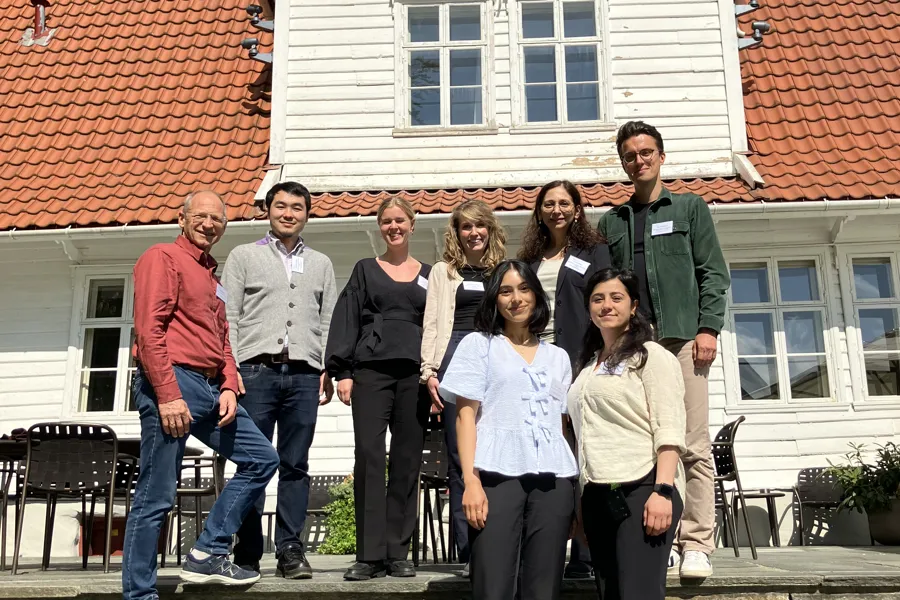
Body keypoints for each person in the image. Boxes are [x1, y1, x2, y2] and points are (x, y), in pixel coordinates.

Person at [122, 191, 279, 600]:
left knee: (262, 458)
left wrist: (228, 383)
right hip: (172, 380)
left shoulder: (212, 275)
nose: (209, 224)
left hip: (210, 387)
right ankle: (139, 594)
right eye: (201, 216)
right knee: (157, 494)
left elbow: (222, 338)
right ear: (182, 219)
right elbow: (149, 330)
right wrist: (167, 394)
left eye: (217, 219)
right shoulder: (163, 257)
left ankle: (207, 551)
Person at [597, 120, 730, 578]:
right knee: (644, 444)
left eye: (646, 152)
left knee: (691, 443)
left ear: (661, 156)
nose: (639, 161)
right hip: (636, 348)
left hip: (683, 341)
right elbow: (608, 287)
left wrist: (708, 328)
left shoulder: (690, 208)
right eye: (630, 155)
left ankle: (697, 542)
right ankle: (661, 540)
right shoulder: (612, 222)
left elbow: (713, 273)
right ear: (623, 163)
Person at [440, 259, 578, 600]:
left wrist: (575, 496)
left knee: (543, 587)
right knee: (493, 584)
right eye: (505, 291)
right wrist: (471, 481)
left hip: (554, 482)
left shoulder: (558, 357)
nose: (516, 298)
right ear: (494, 298)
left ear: (536, 295)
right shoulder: (479, 345)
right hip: (495, 477)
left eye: (524, 289)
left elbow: (560, 425)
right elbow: (465, 418)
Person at [224, 181, 337, 578]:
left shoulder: (321, 263)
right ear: (268, 211)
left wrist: (326, 367)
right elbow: (229, 317)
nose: (289, 213)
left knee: (295, 464)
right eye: (281, 206)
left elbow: (328, 319)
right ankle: (248, 550)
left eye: (297, 208)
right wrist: (231, 369)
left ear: (307, 215)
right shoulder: (243, 256)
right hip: (255, 372)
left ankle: (290, 549)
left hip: (304, 374)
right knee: (252, 461)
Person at [324, 197, 432, 581]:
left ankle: (398, 552)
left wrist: (436, 375)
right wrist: (343, 371)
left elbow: (439, 325)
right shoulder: (365, 269)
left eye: (400, 220)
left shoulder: (430, 274)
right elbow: (347, 318)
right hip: (370, 373)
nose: (393, 227)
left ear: (412, 224)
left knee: (407, 460)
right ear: (380, 226)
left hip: (414, 376)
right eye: (387, 221)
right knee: (369, 457)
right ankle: (369, 556)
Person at [568, 268, 686, 599]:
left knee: (639, 593)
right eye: (598, 299)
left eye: (616, 297)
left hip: (644, 488)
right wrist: (581, 504)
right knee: (611, 593)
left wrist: (663, 491)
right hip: (597, 495)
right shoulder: (589, 365)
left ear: (633, 306)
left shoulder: (651, 356)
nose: (606, 305)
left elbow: (670, 427)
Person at [519, 179, 611, 579]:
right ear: (539, 211)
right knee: (544, 451)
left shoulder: (594, 252)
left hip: (578, 359)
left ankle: (585, 553)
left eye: (564, 203)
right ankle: (545, 547)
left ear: (577, 209)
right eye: (548, 204)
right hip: (535, 362)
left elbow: (605, 304)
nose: (556, 210)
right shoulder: (530, 258)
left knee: (579, 452)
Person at [421, 199, 507, 572]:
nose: (474, 232)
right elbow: (431, 321)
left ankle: (500, 545)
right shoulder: (443, 271)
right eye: (466, 226)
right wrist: (429, 370)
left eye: (479, 225)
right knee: (461, 458)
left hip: (496, 358)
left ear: (490, 229)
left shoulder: (502, 271)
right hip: (455, 358)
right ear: (456, 233)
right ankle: (470, 552)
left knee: (497, 453)